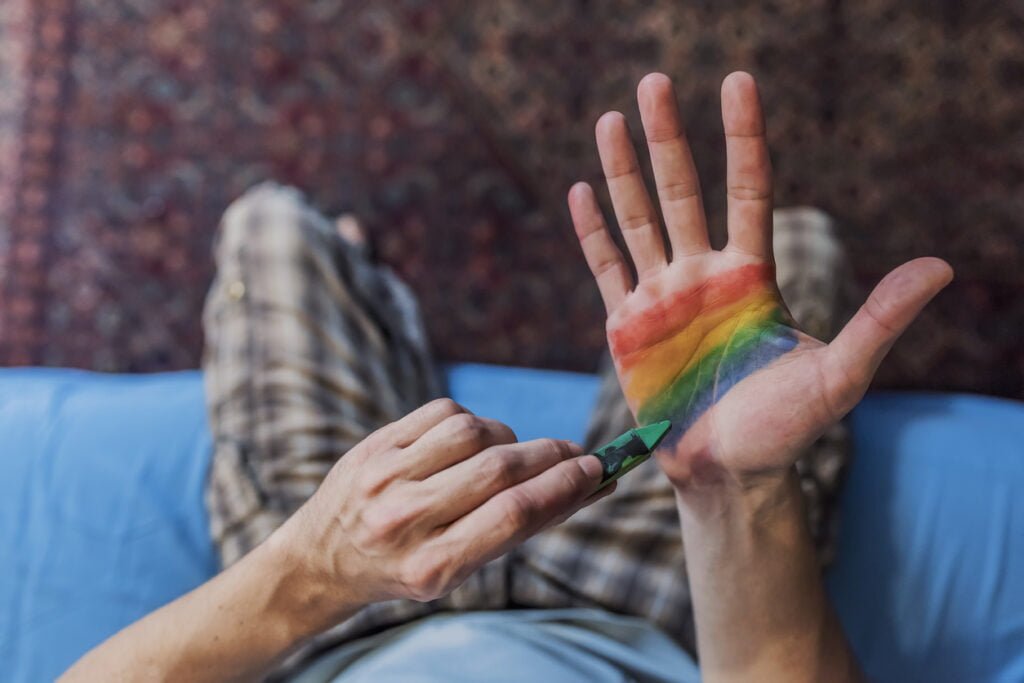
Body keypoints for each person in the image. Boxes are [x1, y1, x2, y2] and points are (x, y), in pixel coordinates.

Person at [61, 72, 952, 682]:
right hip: (637, 608)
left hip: (339, 620)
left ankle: (361, 280)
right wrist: (732, 487)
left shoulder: (326, 579)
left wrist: (319, 563)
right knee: (788, 255)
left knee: (273, 230)